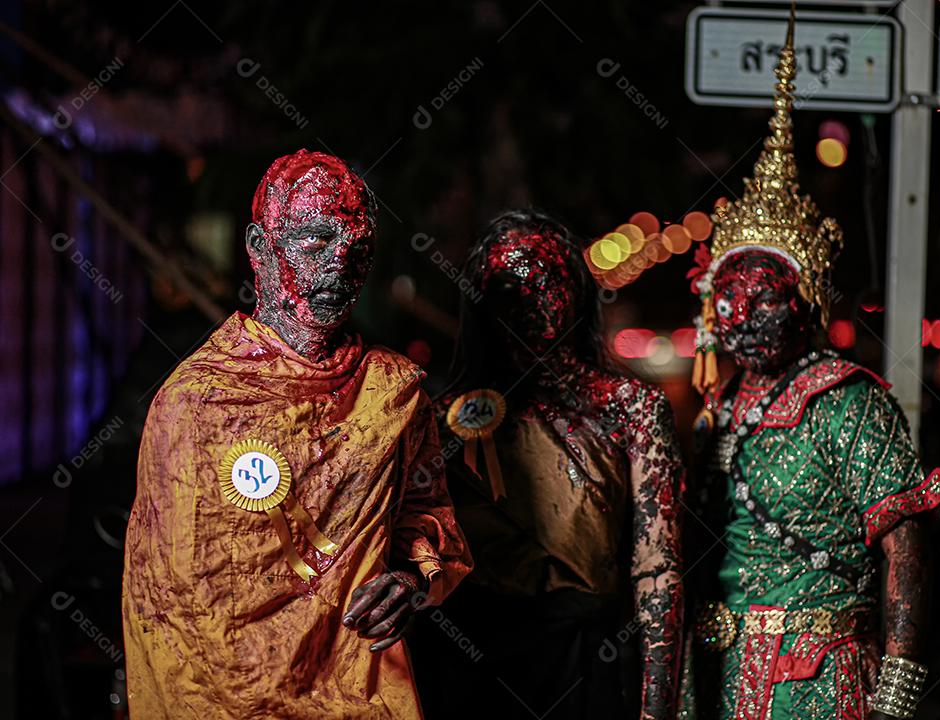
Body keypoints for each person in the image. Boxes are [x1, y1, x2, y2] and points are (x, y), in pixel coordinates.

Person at [680, 9, 940, 720]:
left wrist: (897, 687)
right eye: (728, 298)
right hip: (719, 675)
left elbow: (905, 540)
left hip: (817, 682)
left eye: (762, 296)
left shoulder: (845, 402)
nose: (740, 316)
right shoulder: (719, 410)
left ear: (804, 304)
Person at [122, 149, 472, 719]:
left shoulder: (394, 391)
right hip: (228, 700)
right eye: (314, 243)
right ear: (259, 250)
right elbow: (168, 605)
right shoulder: (195, 402)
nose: (338, 266)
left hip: (361, 692)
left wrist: (412, 576)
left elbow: (430, 517)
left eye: (356, 249)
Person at [411, 209, 683, 720]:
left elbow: (658, 571)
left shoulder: (631, 407)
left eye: (544, 279)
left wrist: (658, 709)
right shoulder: (443, 416)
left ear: (575, 289)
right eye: (507, 286)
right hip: (472, 667)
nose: (527, 299)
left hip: (589, 667)